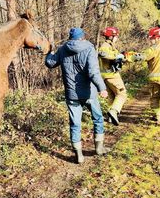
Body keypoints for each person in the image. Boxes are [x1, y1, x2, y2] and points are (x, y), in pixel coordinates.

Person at [45, 27, 110, 164]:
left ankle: (79, 156)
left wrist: (50, 52)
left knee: (75, 124)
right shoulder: (89, 48)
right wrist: (101, 88)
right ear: (82, 37)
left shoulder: (62, 49)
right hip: (89, 93)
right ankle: (99, 148)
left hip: (72, 94)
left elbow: (50, 63)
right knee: (97, 118)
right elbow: (93, 72)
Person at [98, 27, 127, 126]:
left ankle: (110, 117)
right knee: (122, 94)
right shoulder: (105, 46)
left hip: (106, 76)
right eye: (115, 36)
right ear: (111, 36)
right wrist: (116, 56)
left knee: (112, 96)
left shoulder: (110, 45)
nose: (117, 38)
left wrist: (121, 57)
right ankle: (114, 111)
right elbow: (103, 54)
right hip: (111, 75)